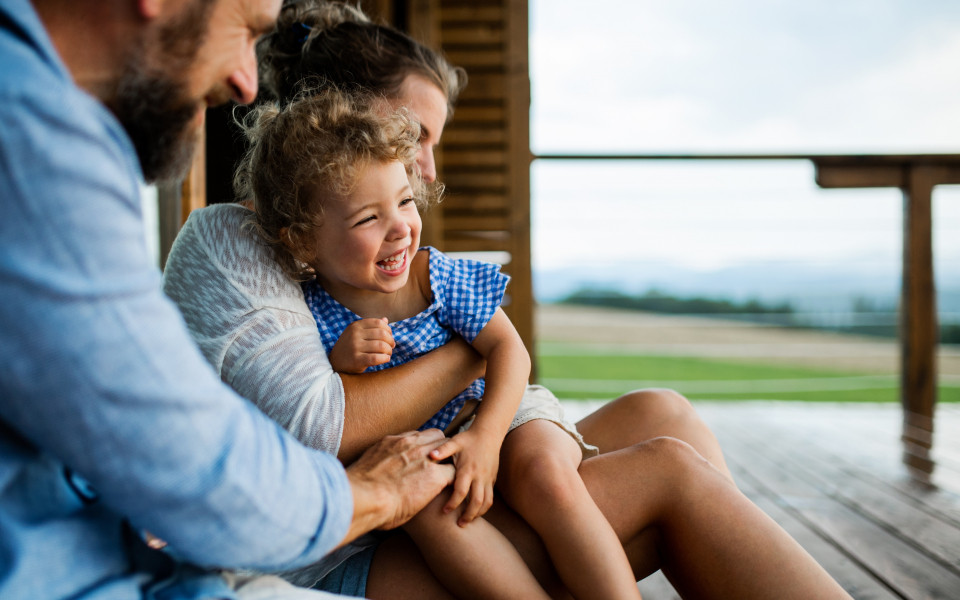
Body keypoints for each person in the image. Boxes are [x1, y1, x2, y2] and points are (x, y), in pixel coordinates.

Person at [162, 2, 854, 598]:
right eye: (416, 137)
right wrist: (477, 351)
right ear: (334, 125)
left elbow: (486, 358)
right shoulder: (238, 243)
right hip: (350, 552)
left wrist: (491, 402)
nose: (426, 168)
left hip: (428, 480)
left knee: (663, 412)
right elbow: (322, 426)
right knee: (670, 473)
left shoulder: (378, 258)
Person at [0, 1, 459, 599]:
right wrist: (376, 492)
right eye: (244, 32)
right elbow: (188, 459)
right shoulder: (32, 135)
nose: (246, 81)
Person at [238, 86, 642, 599]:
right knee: (429, 510)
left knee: (544, 474)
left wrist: (487, 439)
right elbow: (325, 411)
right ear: (302, 240)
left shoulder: (435, 277)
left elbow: (509, 352)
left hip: (497, 408)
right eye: (368, 218)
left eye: (405, 201)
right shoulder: (307, 313)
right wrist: (339, 361)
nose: (400, 229)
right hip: (423, 451)